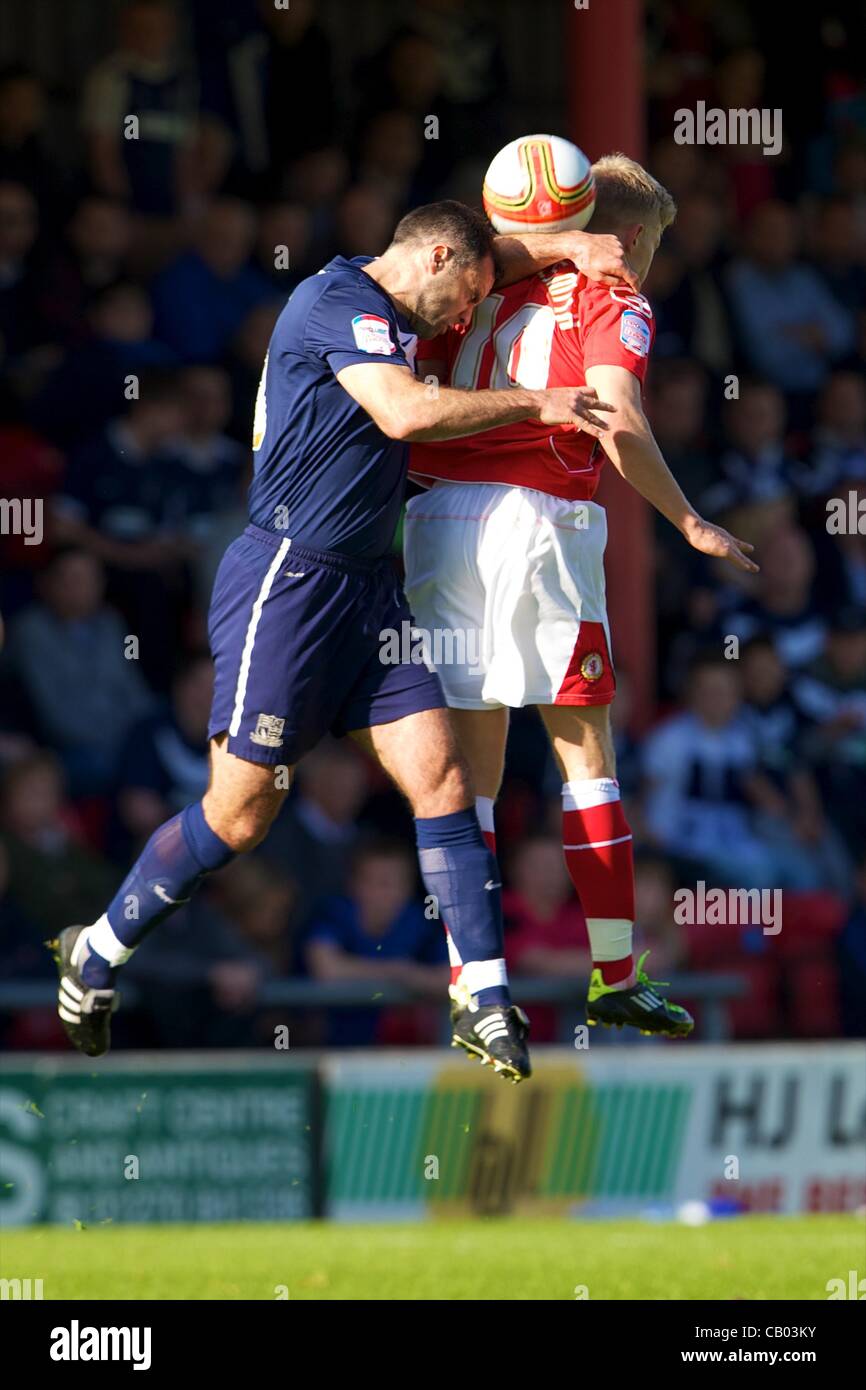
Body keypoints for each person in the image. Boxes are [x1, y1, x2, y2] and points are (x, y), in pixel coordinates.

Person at [50, 197, 634, 1083]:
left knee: (442, 779)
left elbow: (484, 253)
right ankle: (96, 948)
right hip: (287, 582)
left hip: (369, 590)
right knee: (241, 814)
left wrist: (564, 243)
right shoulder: (334, 303)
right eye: (472, 291)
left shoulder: (411, 292)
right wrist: (548, 401)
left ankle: (482, 997)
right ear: (435, 258)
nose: (475, 311)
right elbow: (402, 414)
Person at [405, 152, 758, 1040]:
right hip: (541, 524)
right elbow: (619, 420)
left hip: (434, 522)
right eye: (650, 250)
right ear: (627, 237)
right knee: (584, 756)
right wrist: (686, 521)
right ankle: (613, 973)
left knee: (470, 781)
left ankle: (474, 987)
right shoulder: (613, 297)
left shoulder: (470, 275)